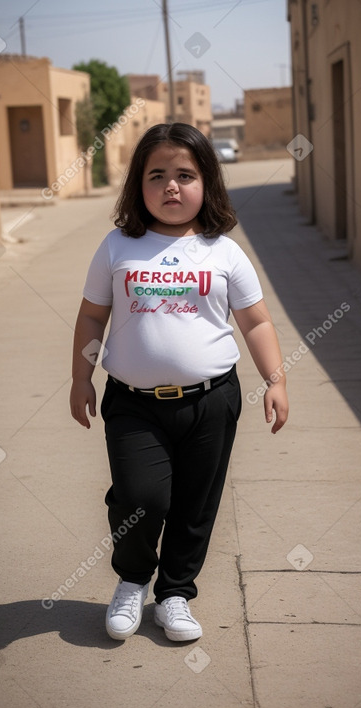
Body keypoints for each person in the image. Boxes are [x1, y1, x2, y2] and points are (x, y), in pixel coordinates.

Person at [70, 122, 288, 642]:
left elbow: (256, 322)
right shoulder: (119, 245)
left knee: (196, 502)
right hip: (133, 403)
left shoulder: (224, 251)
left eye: (185, 175)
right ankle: (132, 580)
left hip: (211, 401)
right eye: (157, 175)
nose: (171, 186)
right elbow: (92, 317)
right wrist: (81, 377)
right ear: (137, 186)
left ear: (206, 183)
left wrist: (275, 380)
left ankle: (174, 594)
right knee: (140, 497)